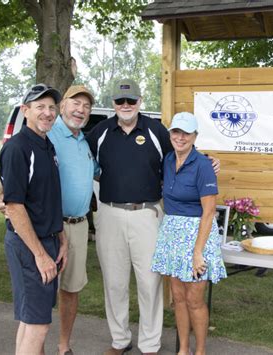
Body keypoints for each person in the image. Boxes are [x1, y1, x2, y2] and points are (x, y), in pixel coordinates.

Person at [86, 79, 219, 355]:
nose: (125, 106)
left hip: (146, 214)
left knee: (149, 282)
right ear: (113, 103)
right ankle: (120, 340)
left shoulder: (156, 131)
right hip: (109, 214)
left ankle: (149, 344)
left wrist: (209, 160)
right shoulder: (100, 132)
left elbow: (184, 155)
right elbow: (80, 159)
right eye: (120, 101)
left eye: (131, 101)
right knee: (114, 282)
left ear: (140, 101)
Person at [0, 83, 68, 354]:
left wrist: (61, 239)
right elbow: (14, 207)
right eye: (40, 107)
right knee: (38, 324)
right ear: (25, 110)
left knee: (31, 320)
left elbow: (47, 198)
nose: (48, 113)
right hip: (29, 246)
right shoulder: (19, 148)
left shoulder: (46, 145)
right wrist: (40, 255)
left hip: (47, 241)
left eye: (52, 108)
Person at [151, 112, 227, 355]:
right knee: (178, 297)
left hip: (197, 234)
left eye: (186, 133)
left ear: (195, 136)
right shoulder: (167, 160)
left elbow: (209, 212)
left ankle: (200, 351)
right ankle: (183, 349)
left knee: (194, 299)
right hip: (173, 233)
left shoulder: (203, 165)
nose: (180, 137)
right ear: (170, 134)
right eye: (176, 132)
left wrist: (198, 252)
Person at [47, 85, 100, 355]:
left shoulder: (85, 142)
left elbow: (102, 172)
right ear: (63, 104)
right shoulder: (47, 133)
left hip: (78, 226)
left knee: (71, 289)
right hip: (48, 226)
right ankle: (34, 347)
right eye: (76, 103)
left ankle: (63, 346)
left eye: (86, 106)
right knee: (42, 290)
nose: (80, 110)